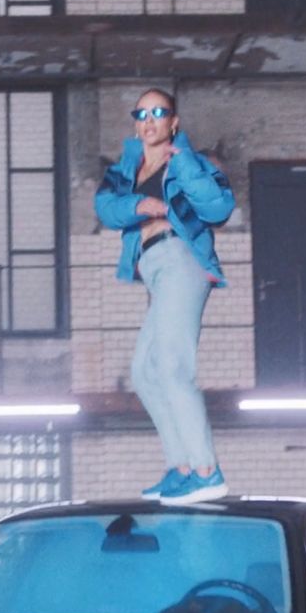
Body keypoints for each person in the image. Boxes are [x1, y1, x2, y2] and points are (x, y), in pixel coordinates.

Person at [94, 89, 236, 506]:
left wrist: (184, 162)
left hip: (182, 257)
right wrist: (142, 203)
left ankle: (207, 471)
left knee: (172, 368)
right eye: (141, 113)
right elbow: (106, 208)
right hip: (154, 267)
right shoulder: (128, 166)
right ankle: (183, 468)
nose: (149, 118)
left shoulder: (194, 161)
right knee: (144, 372)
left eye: (159, 111)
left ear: (173, 121)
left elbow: (218, 207)